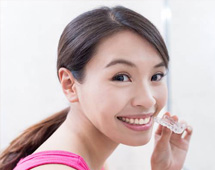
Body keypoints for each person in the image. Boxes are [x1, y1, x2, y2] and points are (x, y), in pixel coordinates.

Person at [0, 6, 192, 170]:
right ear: (70, 85)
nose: (148, 99)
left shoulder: (94, 160)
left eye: (155, 76)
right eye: (121, 77)